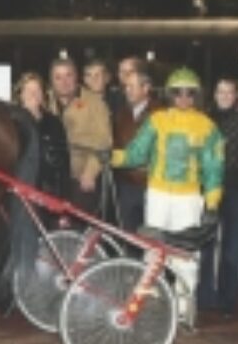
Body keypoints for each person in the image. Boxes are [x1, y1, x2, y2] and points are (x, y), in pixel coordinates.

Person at [111, 67, 224, 326]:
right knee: (153, 251)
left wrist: (212, 204)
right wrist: (114, 157)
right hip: (159, 195)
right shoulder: (157, 120)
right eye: (178, 93)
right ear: (170, 94)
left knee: (185, 254)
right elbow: (136, 153)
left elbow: (213, 168)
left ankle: (185, 310)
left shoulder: (207, 127)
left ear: (197, 96)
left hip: (188, 198)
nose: (184, 98)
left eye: (189, 93)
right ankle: (151, 307)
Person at [197, 77, 238, 318]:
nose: (224, 96)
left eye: (229, 92)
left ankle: (228, 302)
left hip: (237, 189)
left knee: (232, 248)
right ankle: (204, 298)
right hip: (207, 189)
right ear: (214, 94)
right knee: (205, 245)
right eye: (220, 91)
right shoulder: (203, 120)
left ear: (236, 96)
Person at [48, 58, 112, 217]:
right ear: (52, 81)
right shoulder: (44, 102)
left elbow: (104, 140)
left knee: (79, 231)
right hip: (53, 181)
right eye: (58, 77)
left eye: (68, 75)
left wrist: (90, 172)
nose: (64, 81)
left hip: (82, 180)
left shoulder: (94, 103)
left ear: (77, 77)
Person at [14, 72, 69, 226]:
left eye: (37, 90)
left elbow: (64, 164)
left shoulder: (54, 123)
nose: (33, 94)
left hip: (48, 194)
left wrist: (63, 201)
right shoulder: (12, 122)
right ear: (20, 95)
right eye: (28, 90)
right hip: (20, 195)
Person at [111, 69, 162, 234]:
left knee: (151, 239)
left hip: (152, 186)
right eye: (126, 86)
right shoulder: (120, 115)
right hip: (126, 186)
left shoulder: (161, 114)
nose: (127, 90)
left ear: (146, 88)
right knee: (127, 236)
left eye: (132, 86)